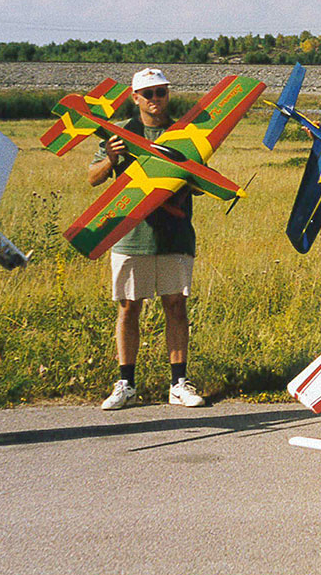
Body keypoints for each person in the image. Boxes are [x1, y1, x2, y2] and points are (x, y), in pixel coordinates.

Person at [91, 68, 206, 410]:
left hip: (175, 234)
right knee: (129, 309)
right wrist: (111, 158)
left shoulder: (184, 134)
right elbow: (93, 177)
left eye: (162, 92)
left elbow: (197, 182)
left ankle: (178, 383)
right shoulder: (121, 133)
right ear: (135, 97)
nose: (156, 99)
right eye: (149, 93)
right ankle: (126, 383)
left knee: (176, 305)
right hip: (129, 235)